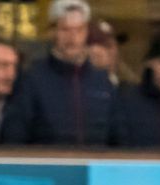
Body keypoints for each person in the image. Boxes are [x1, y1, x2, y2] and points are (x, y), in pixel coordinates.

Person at [13, 0, 120, 146]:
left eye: (79, 30)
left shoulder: (102, 81)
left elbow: (117, 136)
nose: (72, 37)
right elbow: (17, 135)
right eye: (65, 29)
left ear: (86, 32)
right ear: (53, 32)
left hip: (94, 166)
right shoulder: (32, 79)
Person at [87, 19, 136, 87]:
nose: (112, 52)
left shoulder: (124, 85)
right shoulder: (81, 85)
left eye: (112, 46)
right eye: (106, 46)